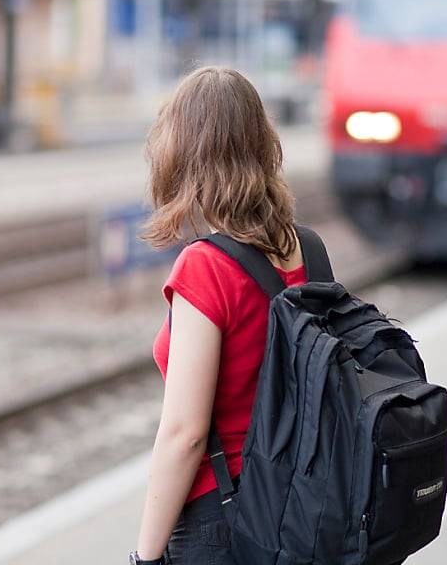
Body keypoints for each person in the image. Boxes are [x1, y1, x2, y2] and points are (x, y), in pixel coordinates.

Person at [132, 67, 306, 565]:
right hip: (297, 505)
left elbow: (185, 435)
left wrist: (145, 556)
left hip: (223, 520)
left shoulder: (205, 267)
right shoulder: (305, 251)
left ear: (184, 154)